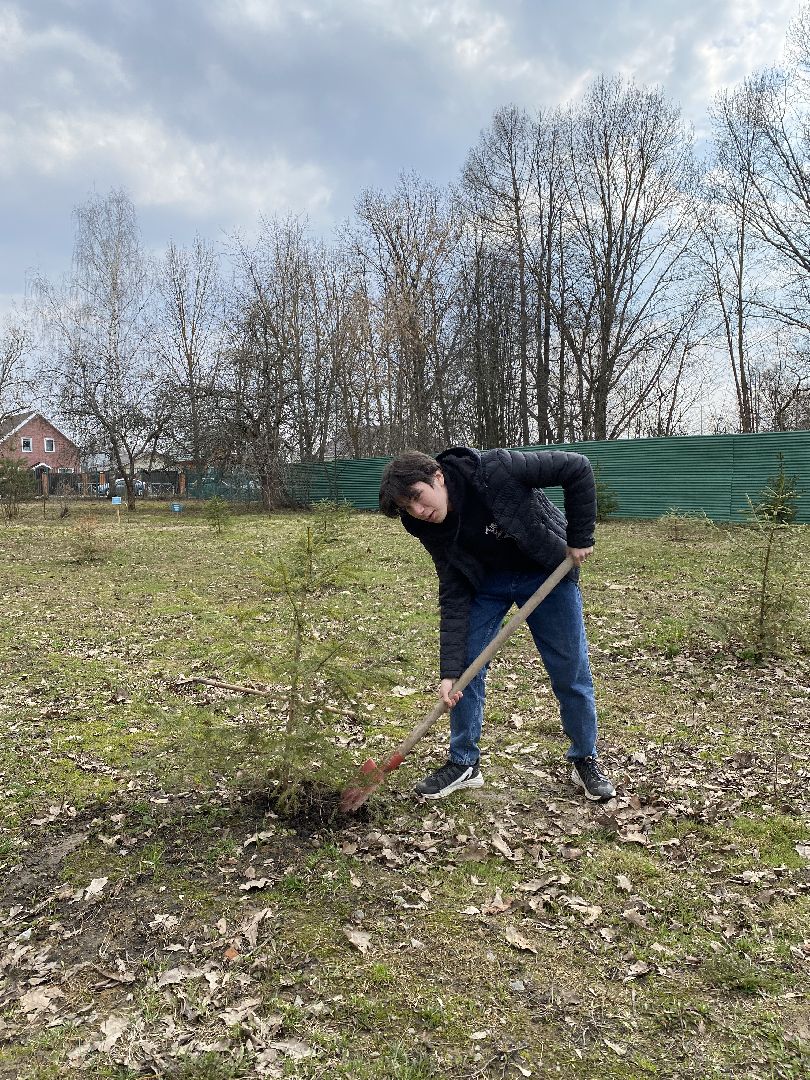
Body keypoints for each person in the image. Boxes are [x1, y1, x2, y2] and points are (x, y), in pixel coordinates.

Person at [379, 446, 615, 802]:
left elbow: (577, 467)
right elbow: (453, 584)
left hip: (544, 569)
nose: (418, 511)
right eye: (407, 507)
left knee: (570, 669)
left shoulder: (496, 469)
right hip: (486, 582)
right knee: (465, 671)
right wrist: (449, 670)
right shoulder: (421, 524)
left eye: (417, 497)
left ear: (438, 477)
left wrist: (580, 536)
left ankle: (585, 758)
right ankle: (464, 763)